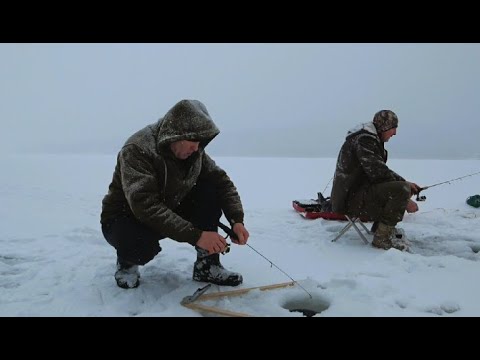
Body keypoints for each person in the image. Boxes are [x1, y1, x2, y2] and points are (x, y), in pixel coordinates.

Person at [101, 99, 250, 289]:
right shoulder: (138, 149)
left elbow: (222, 182)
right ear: (177, 134)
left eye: (200, 143)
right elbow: (144, 205)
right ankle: (127, 263)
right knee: (141, 246)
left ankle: (207, 266)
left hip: (168, 209)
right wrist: (197, 236)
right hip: (125, 217)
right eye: (193, 142)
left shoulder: (195, 153)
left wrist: (237, 220)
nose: (196, 148)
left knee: (209, 191)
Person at [330, 110, 420, 251]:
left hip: (356, 195)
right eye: (393, 128)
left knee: (400, 187)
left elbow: (378, 171)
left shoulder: (368, 139)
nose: (395, 133)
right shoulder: (364, 140)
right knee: (400, 190)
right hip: (350, 200)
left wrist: (406, 183)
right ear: (384, 127)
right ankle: (382, 239)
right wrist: (405, 191)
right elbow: (378, 172)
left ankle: (381, 229)